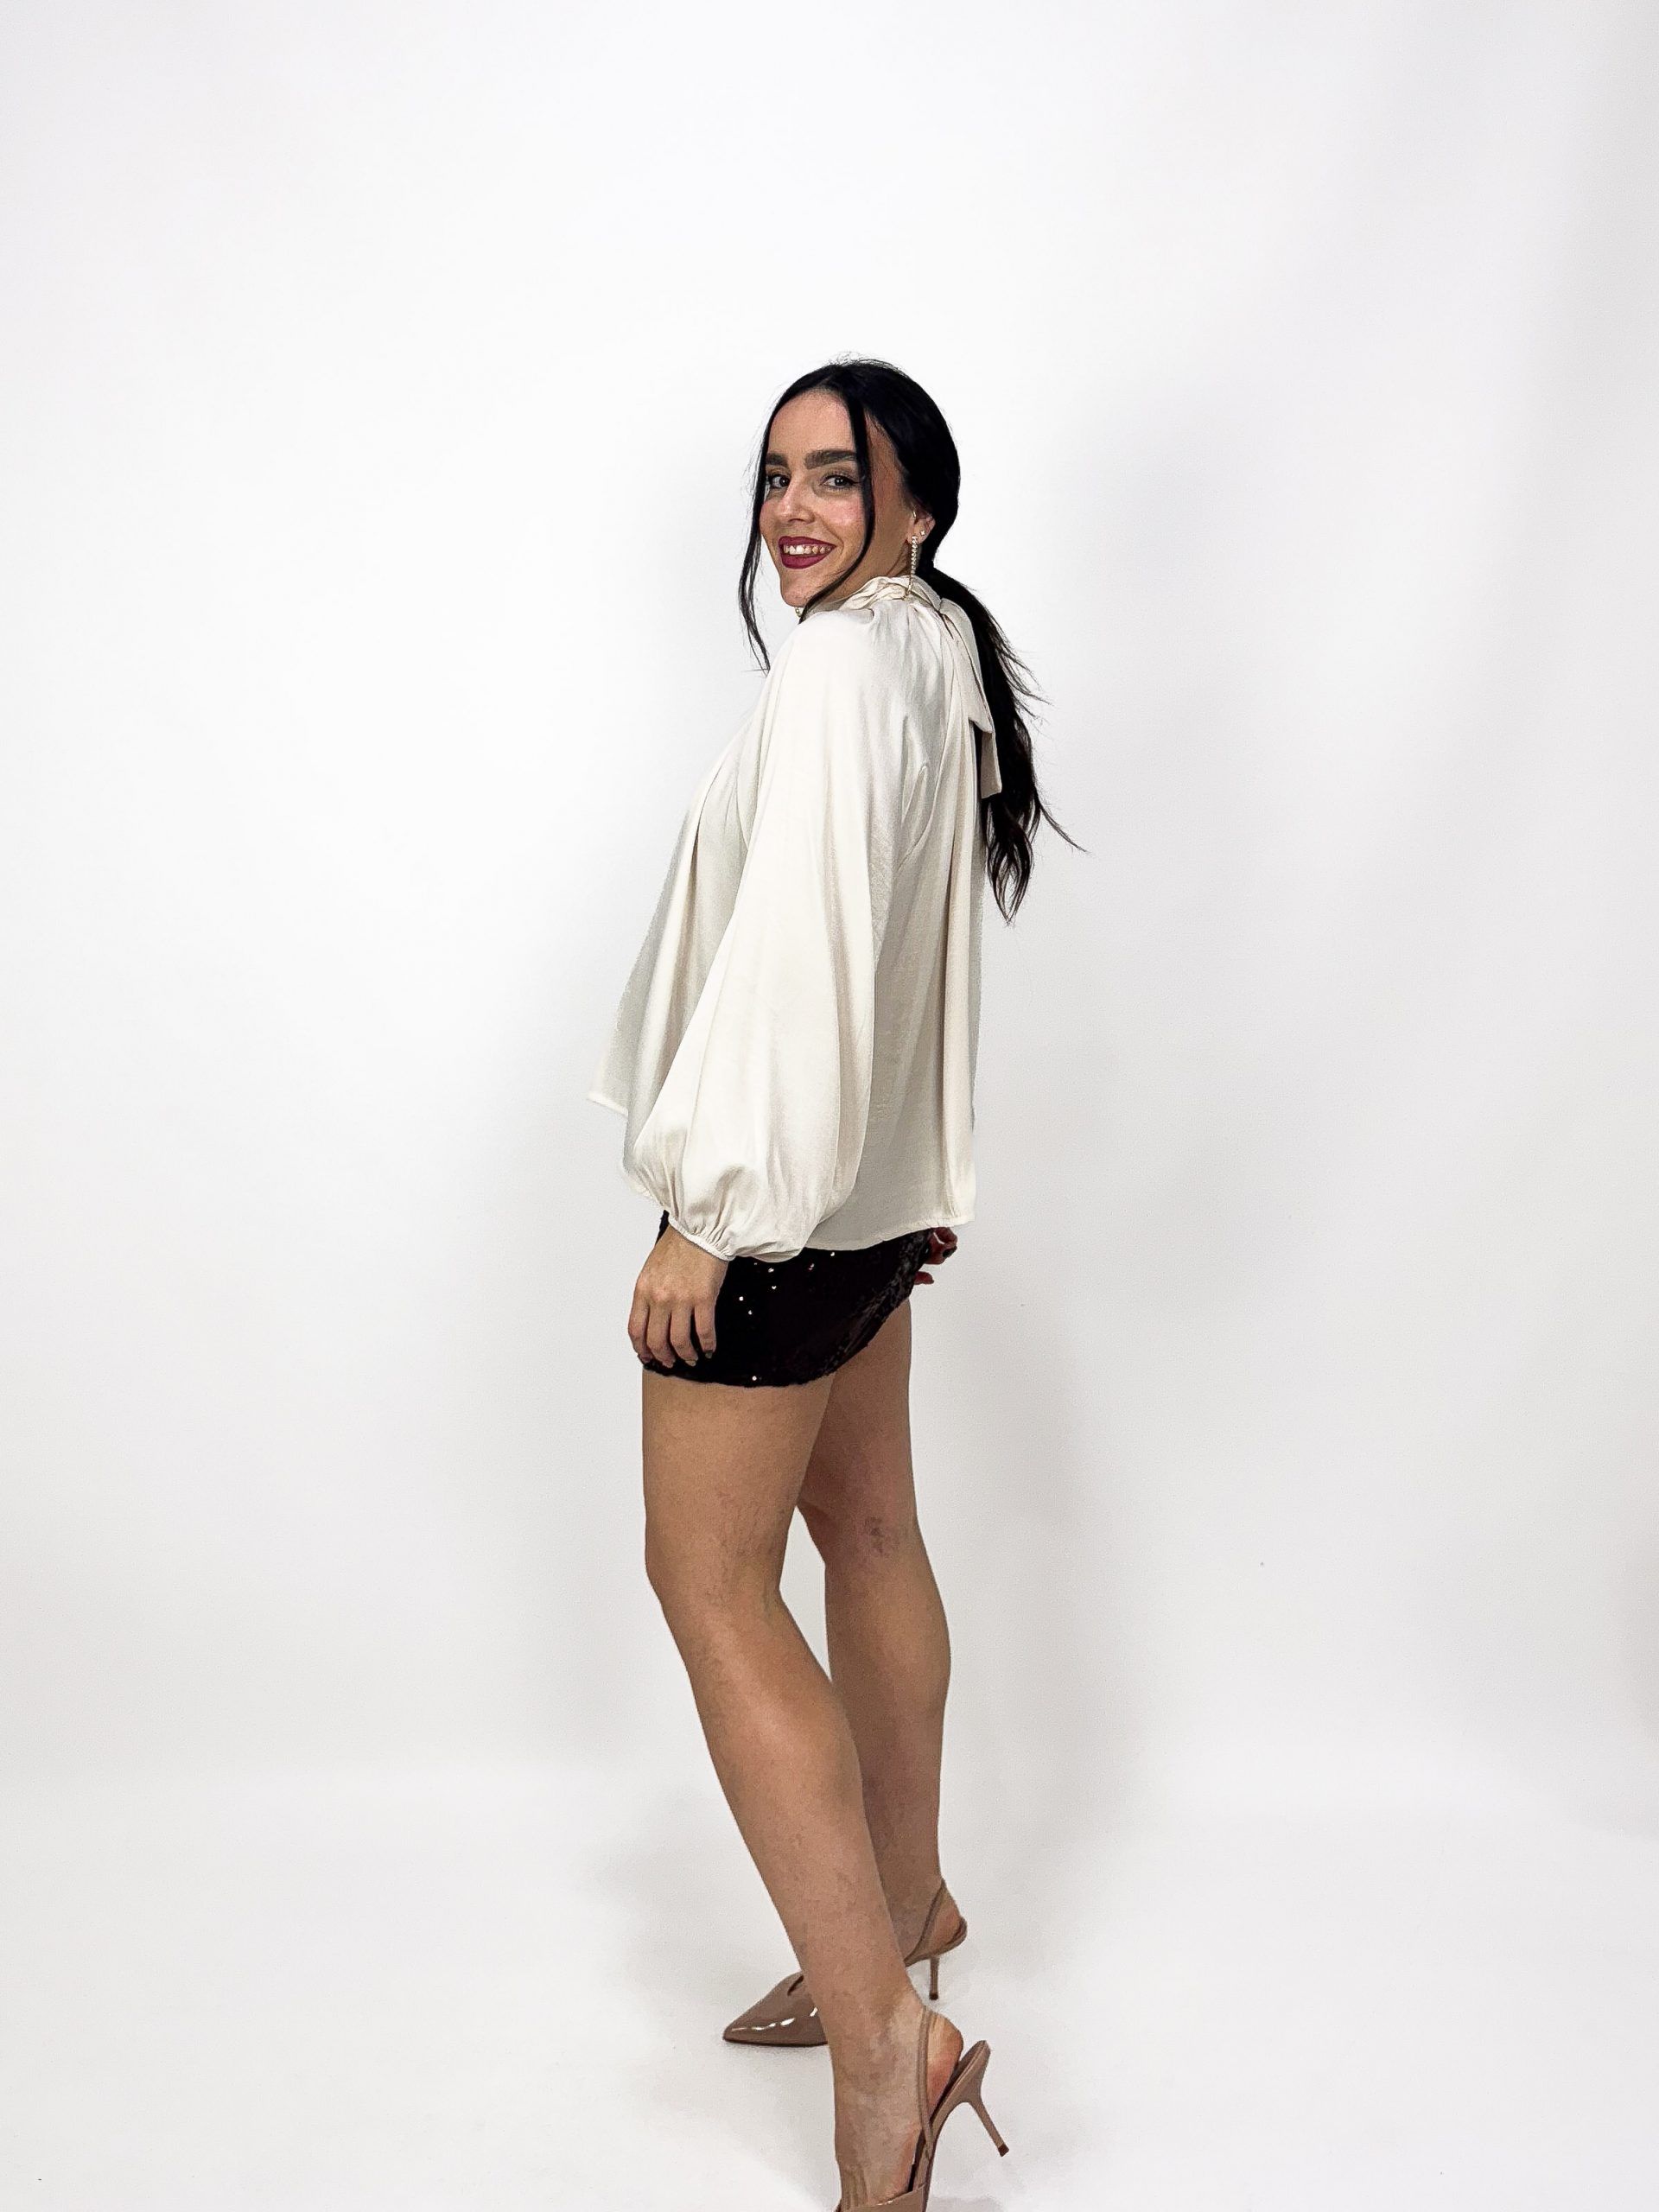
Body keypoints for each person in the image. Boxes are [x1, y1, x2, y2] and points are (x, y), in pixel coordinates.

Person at [587, 357, 1074, 2209]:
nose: (792, 509)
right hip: (873, 1203)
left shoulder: (843, 669)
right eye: (775, 475)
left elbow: (806, 953)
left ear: (917, 505)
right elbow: (912, 938)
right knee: (865, 1534)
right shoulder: (930, 649)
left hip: (785, 1209)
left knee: (706, 1581)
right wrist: (916, 1174)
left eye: (836, 476)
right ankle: (911, 1898)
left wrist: (710, 1213)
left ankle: (890, 2042)